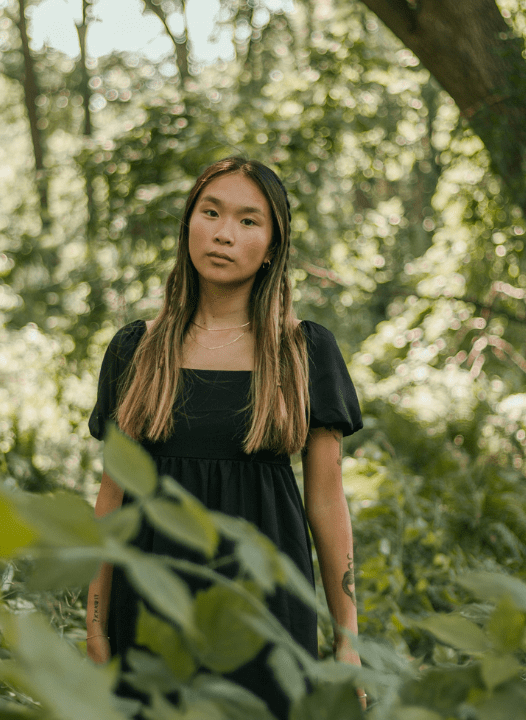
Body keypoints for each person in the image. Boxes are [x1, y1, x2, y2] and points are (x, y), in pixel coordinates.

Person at [85, 156, 365, 718]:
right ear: (189, 222)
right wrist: (94, 622)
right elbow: (112, 500)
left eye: (247, 221)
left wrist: (346, 640)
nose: (223, 233)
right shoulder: (137, 349)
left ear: (272, 246)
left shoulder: (304, 351)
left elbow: (327, 500)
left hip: (265, 609)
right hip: (151, 604)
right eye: (210, 212)